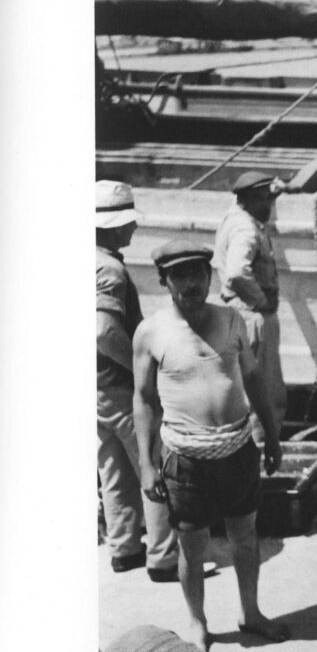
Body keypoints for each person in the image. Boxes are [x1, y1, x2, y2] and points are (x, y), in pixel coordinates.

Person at [133, 240, 289, 651]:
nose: (191, 283)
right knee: (192, 544)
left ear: (209, 276)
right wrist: (147, 464)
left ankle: (250, 612)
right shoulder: (150, 332)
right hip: (185, 458)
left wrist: (272, 435)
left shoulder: (231, 319)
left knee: (246, 535)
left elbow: (252, 378)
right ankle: (197, 623)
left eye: (198, 273)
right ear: (164, 281)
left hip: (237, 448)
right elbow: (144, 399)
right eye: (179, 275)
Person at [95, 180, 178, 581]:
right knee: (154, 462)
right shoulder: (109, 268)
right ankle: (163, 556)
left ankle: (124, 547)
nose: (133, 227)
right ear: (113, 227)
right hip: (119, 385)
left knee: (113, 468)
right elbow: (103, 331)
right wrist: (139, 368)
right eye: (128, 222)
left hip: (94, 387)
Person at [213, 170, 288, 445]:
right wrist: (260, 300)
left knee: (243, 390)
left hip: (235, 314)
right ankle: (262, 452)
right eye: (264, 200)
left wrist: (276, 189)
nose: (269, 205)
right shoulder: (246, 230)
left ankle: (245, 451)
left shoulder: (233, 216)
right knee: (265, 395)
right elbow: (236, 273)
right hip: (253, 316)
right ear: (250, 200)